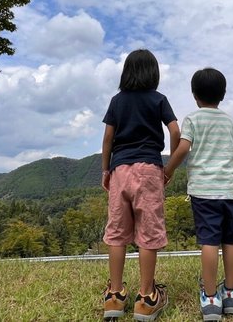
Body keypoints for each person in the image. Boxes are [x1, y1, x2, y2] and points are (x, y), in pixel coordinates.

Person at [101, 49, 180, 321]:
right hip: (148, 170)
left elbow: (108, 138)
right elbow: (175, 131)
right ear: (153, 73)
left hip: (119, 169)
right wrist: (168, 168)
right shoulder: (159, 99)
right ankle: (146, 298)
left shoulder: (117, 101)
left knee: (117, 232)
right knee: (148, 233)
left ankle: (114, 295)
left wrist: (105, 170)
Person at [163, 67, 233, 322]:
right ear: (222, 94)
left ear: (194, 95)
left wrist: (167, 171)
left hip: (204, 191)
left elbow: (183, 149)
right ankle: (231, 294)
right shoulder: (231, 121)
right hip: (230, 190)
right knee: (230, 241)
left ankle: (211, 298)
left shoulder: (193, 119)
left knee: (209, 241)